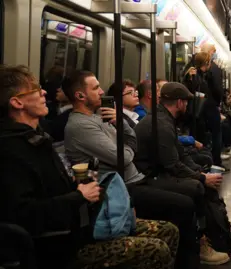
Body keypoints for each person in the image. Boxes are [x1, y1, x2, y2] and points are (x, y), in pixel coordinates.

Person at [0, 65, 178, 269]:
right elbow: (24, 213)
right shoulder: (12, 151)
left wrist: (114, 203)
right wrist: (79, 196)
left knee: (168, 230)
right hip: (60, 244)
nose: (44, 92)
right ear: (17, 102)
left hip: (81, 222)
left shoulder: (39, 138)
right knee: (157, 249)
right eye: (35, 90)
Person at [62, 70, 199, 269]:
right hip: (121, 187)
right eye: (95, 88)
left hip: (133, 178)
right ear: (80, 96)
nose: (102, 92)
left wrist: (119, 123)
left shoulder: (99, 117)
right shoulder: (81, 126)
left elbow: (131, 140)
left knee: (190, 195)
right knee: (184, 204)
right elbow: (124, 158)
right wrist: (126, 147)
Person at [134, 82, 230, 265]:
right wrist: (201, 178)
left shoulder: (165, 119)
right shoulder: (161, 124)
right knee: (195, 188)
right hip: (146, 178)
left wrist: (198, 171)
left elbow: (180, 153)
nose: (187, 105)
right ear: (179, 103)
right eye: (185, 102)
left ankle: (207, 238)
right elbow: (172, 164)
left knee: (199, 181)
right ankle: (197, 245)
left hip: (157, 172)